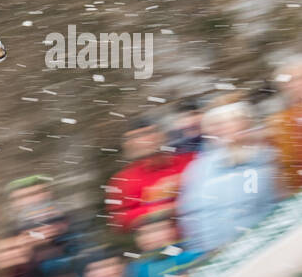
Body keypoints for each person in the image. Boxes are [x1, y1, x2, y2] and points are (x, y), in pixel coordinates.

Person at [176, 100, 278, 255]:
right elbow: (192, 215)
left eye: (234, 122)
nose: (226, 130)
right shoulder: (199, 168)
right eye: (218, 125)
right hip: (215, 255)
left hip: (261, 251)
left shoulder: (267, 160)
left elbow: (275, 208)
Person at [104, 115, 196, 233]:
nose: (145, 139)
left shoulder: (189, 160)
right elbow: (119, 220)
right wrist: (166, 209)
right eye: (136, 136)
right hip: (160, 243)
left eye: (149, 133)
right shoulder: (123, 180)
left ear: (161, 135)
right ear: (128, 144)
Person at [128, 211, 198, 277]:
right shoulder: (136, 268)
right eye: (142, 233)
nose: (149, 237)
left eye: (156, 230)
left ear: (171, 231)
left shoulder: (188, 255)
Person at [270, 59, 302, 195]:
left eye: (299, 78)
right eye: (289, 82)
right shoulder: (278, 122)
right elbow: (279, 167)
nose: (295, 85)